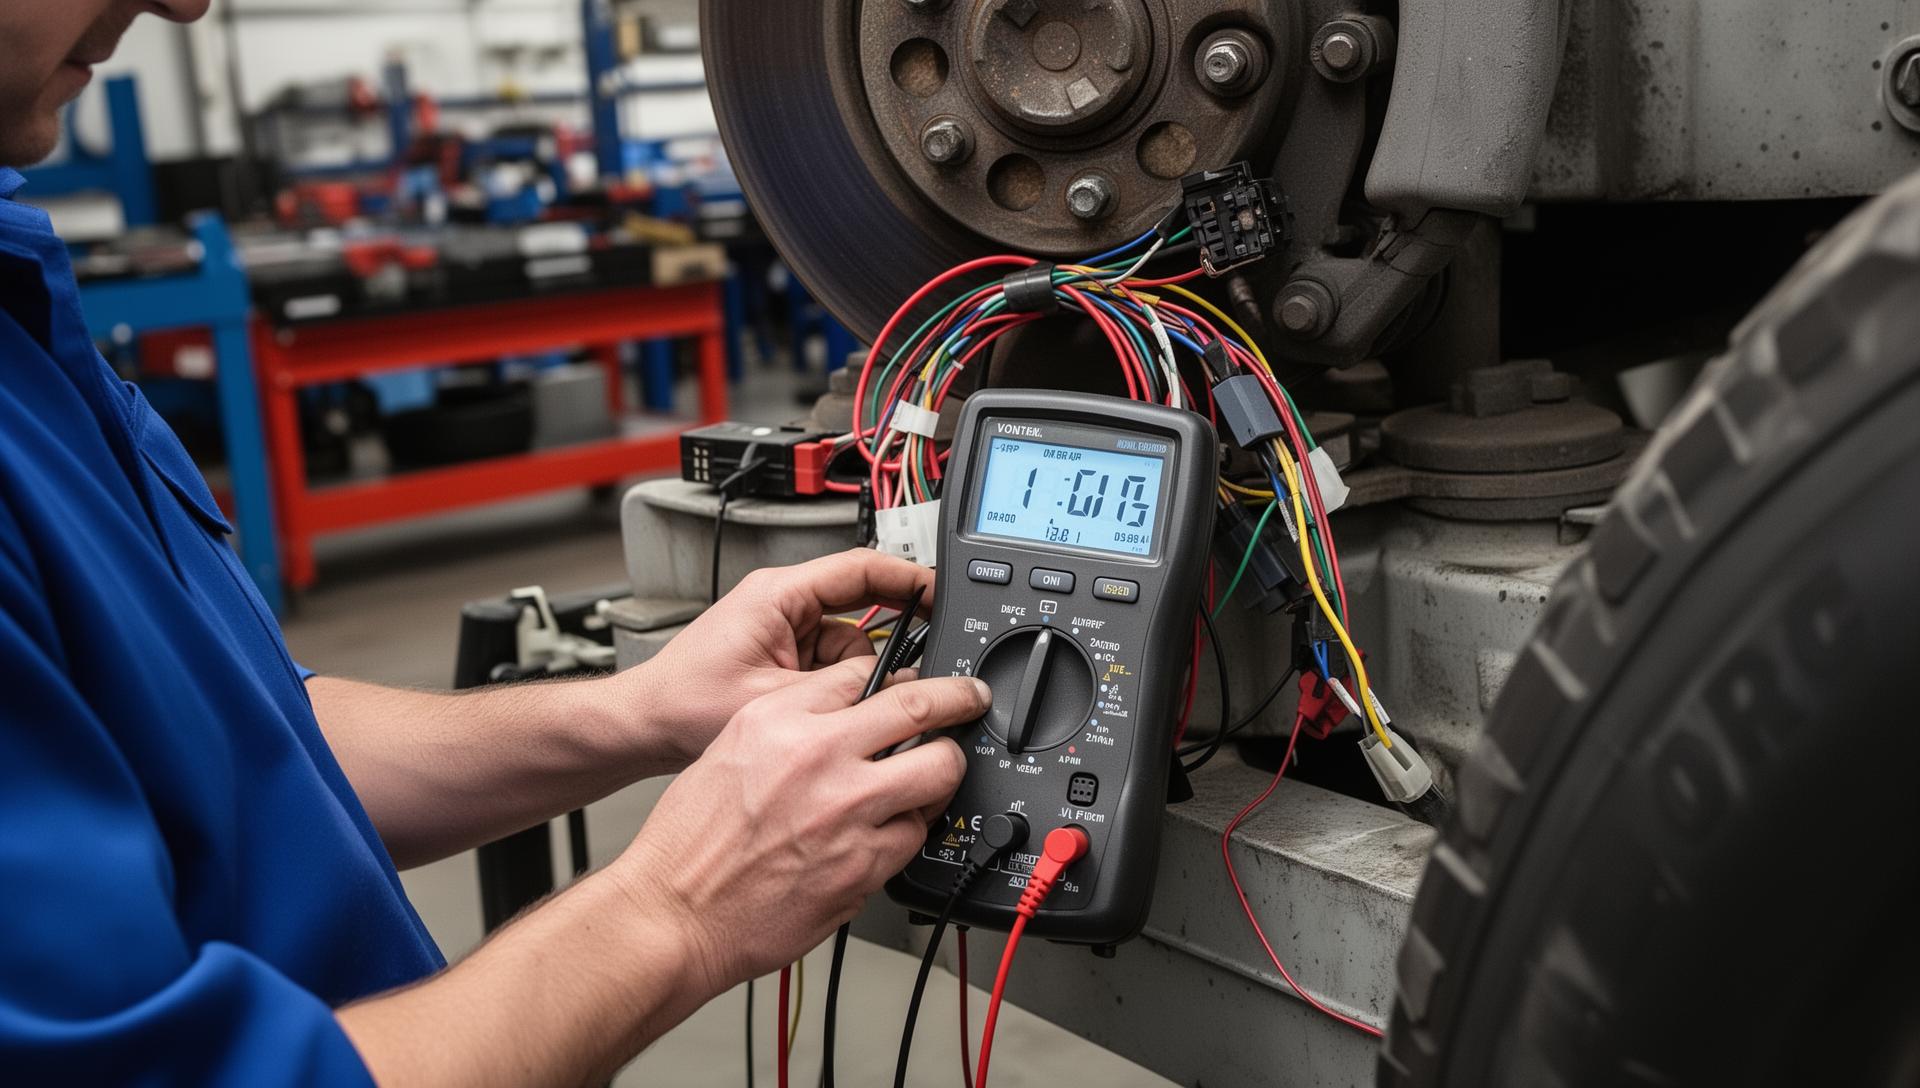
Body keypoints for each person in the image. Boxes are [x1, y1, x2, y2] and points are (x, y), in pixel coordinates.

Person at [0, 3, 984, 1083]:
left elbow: (238, 735)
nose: (185, 4)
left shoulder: (20, 295)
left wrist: (639, 710)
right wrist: (682, 902)